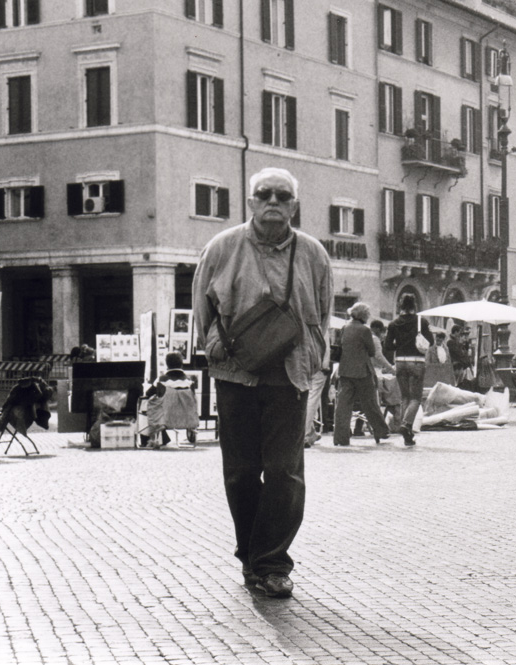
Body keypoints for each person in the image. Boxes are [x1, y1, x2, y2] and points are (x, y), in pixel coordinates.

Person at [193, 166, 332, 599]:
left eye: (282, 196)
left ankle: (271, 564)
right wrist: (218, 347)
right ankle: (252, 556)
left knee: (284, 472)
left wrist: (314, 363)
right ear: (250, 202)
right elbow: (203, 310)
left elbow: (322, 315)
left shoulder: (313, 254)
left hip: (290, 377)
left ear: (294, 205)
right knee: (239, 473)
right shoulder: (221, 247)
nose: (273, 202)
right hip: (236, 375)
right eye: (264, 194)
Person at [333, 303, 390, 447]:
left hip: (345, 371)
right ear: (363, 315)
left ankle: (341, 437)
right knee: (370, 403)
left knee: (343, 405)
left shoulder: (345, 327)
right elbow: (371, 351)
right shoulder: (365, 330)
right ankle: (381, 431)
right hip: (362, 372)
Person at [384, 293, 433, 446]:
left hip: (399, 362)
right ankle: (406, 425)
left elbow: (388, 346)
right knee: (416, 399)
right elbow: (430, 341)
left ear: (400, 306)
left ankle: (408, 435)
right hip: (416, 362)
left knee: (405, 397)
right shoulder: (421, 322)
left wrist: (399, 345)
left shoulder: (393, 324)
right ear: (414, 306)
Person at [141, 351, 199, 449]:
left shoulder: (162, 380)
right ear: (181, 364)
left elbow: (147, 394)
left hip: (164, 419)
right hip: (186, 418)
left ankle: (149, 440)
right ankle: (165, 438)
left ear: (167, 364)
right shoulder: (189, 382)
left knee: (146, 406)